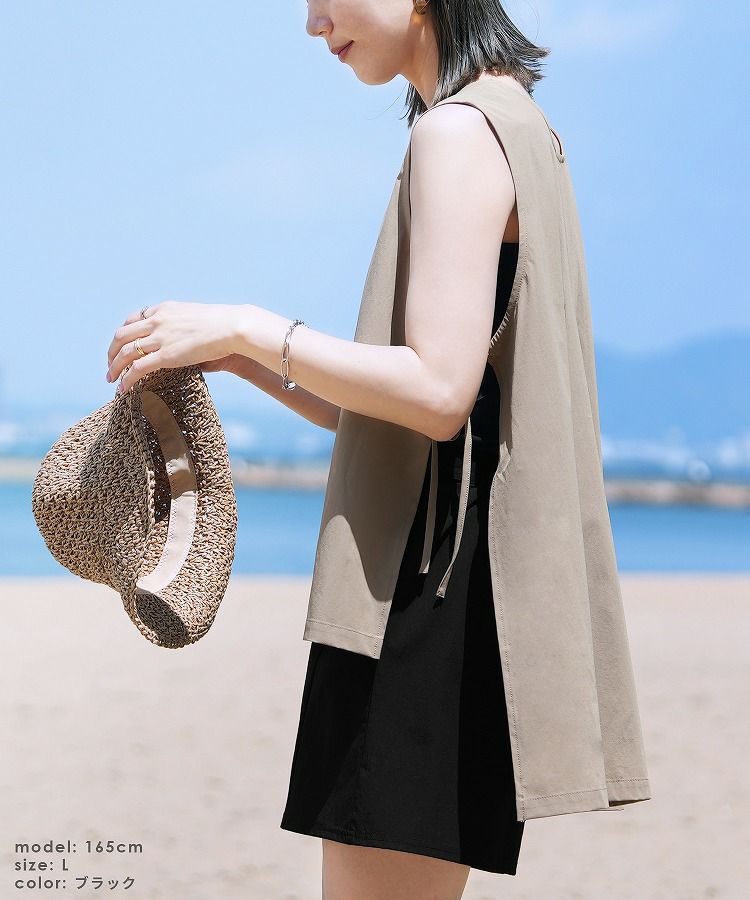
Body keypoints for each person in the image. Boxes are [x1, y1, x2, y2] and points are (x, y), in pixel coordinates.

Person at [104, 2, 567, 897]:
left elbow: (437, 395)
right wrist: (237, 354)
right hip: (469, 583)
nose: (313, 21)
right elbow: (422, 401)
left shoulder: (456, 134)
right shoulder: (520, 124)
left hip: (417, 588)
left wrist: (251, 325)